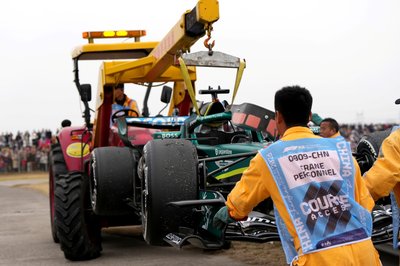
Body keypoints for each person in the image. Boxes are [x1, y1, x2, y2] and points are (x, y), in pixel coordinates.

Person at [213, 85, 381, 265]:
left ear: (278, 117)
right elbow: (363, 203)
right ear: (309, 116)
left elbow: (240, 203)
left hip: (318, 258)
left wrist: (229, 211)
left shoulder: (268, 157)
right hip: (366, 253)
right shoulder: (342, 151)